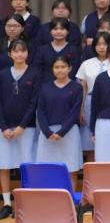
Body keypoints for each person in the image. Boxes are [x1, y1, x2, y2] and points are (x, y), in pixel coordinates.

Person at [0, 40, 38, 218]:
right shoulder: (2, 74)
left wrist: (22, 125)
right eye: (15, 51)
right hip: (5, 129)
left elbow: (34, 102)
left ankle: (25, 202)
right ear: (10, 54)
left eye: (23, 51)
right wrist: (3, 127)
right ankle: (7, 203)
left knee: (26, 166)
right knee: (4, 165)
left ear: (27, 53)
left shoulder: (35, 73)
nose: (19, 54)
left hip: (26, 127)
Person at [36, 56, 83, 186]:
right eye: (56, 67)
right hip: (48, 134)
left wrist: (62, 132)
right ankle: (50, 196)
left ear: (70, 68)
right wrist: (47, 132)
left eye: (63, 67)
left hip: (69, 132)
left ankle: (70, 197)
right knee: (48, 167)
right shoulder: (45, 88)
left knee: (70, 168)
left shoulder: (76, 87)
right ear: (52, 69)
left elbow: (74, 112)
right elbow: (41, 111)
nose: (60, 70)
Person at [76, 32, 110, 158]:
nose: (102, 47)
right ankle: (92, 169)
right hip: (90, 102)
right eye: (98, 44)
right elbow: (83, 88)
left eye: (105, 44)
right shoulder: (86, 64)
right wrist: (81, 110)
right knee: (89, 141)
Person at [33, 17, 80, 82]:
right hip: (45, 85)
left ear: (68, 31)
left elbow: (75, 70)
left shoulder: (73, 50)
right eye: (55, 29)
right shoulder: (42, 50)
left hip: (68, 85)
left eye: (62, 29)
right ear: (50, 31)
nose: (58, 31)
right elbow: (37, 70)